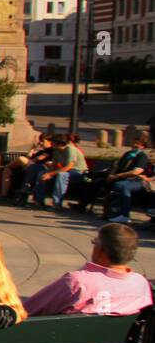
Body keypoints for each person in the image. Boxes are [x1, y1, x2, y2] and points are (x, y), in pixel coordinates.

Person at [23, 223, 153, 317]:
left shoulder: (77, 282)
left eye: (95, 242)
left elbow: (25, 310)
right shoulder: (140, 283)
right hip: (98, 341)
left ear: (101, 250)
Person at [101, 134, 150, 223]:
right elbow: (117, 166)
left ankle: (124, 215)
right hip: (120, 178)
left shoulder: (142, 156)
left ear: (142, 146)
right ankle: (104, 211)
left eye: (137, 144)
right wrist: (111, 175)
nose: (134, 145)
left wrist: (117, 176)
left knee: (124, 187)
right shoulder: (128, 154)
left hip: (135, 180)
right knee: (97, 182)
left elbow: (136, 172)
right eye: (134, 142)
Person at [33, 134, 85, 209]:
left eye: (53, 142)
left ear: (60, 143)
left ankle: (57, 203)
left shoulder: (70, 149)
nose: (51, 144)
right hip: (64, 170)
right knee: (42, 173)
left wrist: (50, 174)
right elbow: (54, 164)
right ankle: (38, 201)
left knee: (62, 175)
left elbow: (68, 167)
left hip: (78, 172)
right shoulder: (56, 150)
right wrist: (47, 172)